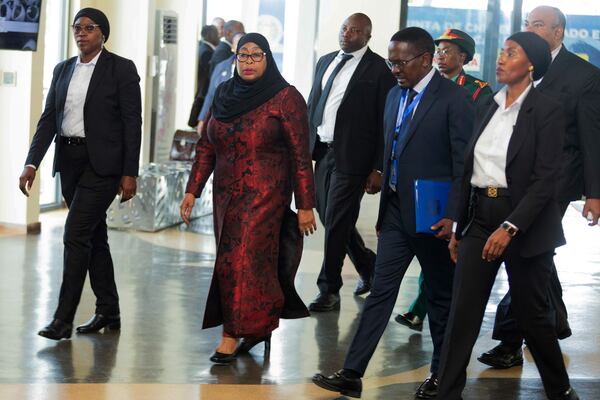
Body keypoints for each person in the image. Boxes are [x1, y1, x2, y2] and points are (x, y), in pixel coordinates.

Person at [312, 27, 473, 399]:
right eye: (391, 61)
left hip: (433, 215)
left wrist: (453, 216)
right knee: (380, 293)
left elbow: (463, 164)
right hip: (398, 210)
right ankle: (352, 373)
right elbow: (391, 149)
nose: (395, 69)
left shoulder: (454, 99)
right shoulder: (393, 96)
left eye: (401, 62)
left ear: (426, 59)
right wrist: (384, 210)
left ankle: (443, 378)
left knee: (440, 298)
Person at [436, 31, 578, 400]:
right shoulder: (487, 104)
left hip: (524, 222)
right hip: (480, 218)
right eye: (501, 51)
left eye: (510, 53)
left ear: (530, 64)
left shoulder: (547, 110)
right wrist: (456, 224)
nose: (500, 58)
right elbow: (466, 170)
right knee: (462, 314)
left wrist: (510, 227)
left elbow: (547, 180)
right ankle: (446, 391)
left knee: (533, 318)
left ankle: (559, 388)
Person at [180, 33, 317, 364]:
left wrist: (305, 205)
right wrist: (192, 189)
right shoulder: (225, 94)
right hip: (225, 195)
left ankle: (232, 332)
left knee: (241, 261)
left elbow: (301, 154)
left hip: (265, 194)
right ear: (235, 59)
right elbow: (207, 145)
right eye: (243, 56)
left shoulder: (286, 98)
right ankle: (258, 326)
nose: (249, 62)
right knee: (239, 263)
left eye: (257, 56)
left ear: (268, 58)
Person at [478, 5, 600, 370]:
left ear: (559, 32)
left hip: (557, 181)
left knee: (523, 247)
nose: (531, 28)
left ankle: (510, 341)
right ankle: (553, 319)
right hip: (511, 177)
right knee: (536, 255)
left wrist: (595, 191)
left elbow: (592, 136)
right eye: (528, 23)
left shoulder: (584, 76)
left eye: (540, 24)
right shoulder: (514, 68)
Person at [18, 7, 142, 340]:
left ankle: (62, 319)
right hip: (70, 163)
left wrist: (130, 172)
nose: (80, 33)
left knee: (75, 234)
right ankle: (109, 308)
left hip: (103, 166)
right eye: (76, 27)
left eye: (89, 27)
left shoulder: (121, 69)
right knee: (93, 236)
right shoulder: (62, 70)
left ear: (103, 33)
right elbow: (48, 121)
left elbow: (133, 123)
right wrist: (32, 163)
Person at [395, 28, 492, 332]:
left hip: (457, 179)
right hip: (421, 181)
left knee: (442, 247)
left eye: (448, 50)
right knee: (432, 243)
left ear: (464, 57)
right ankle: (420, 310)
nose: (440, 55)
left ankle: (423, 311)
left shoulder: (478, 90)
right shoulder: (415, 86)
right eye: (438, 50)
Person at [306, 13, 396, 312]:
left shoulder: (379, 69)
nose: (347, 33)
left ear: (367, 37)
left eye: (356, 30)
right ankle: (367, 264)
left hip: (355, 157)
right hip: (323, 151)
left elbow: (385, 122)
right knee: (327, 212)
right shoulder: (326, 60)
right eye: (345, 27)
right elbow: (313, 102)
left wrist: (378, 167)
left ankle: (329, 289)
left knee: (337, 219)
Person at [195, 32, 244, 135]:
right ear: (233, 47)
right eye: (237, 44)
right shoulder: (221, 66)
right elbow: (210, 95)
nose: (240, 47)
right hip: (219, 122)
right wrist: (202, 120)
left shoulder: (252, 70)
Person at [188, 25, 220, 129]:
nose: (218, 36)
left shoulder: (203, 48)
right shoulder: (207, 52)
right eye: (216, 34)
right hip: (203, 91)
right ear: (209, 35)